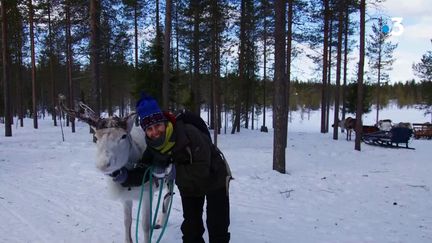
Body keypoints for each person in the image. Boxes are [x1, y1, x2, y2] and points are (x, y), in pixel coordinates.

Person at [113, 94, 232, 243]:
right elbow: (144, 171)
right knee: (191, 231)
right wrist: (125, 177)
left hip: (215, 178)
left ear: (164, 122)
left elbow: (202, 168)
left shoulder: (189, 134)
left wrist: (172, 171)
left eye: (157, 126)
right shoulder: (153, 146)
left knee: (217, 227)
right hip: (189, 187)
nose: (155, 132)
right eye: (149, 128)